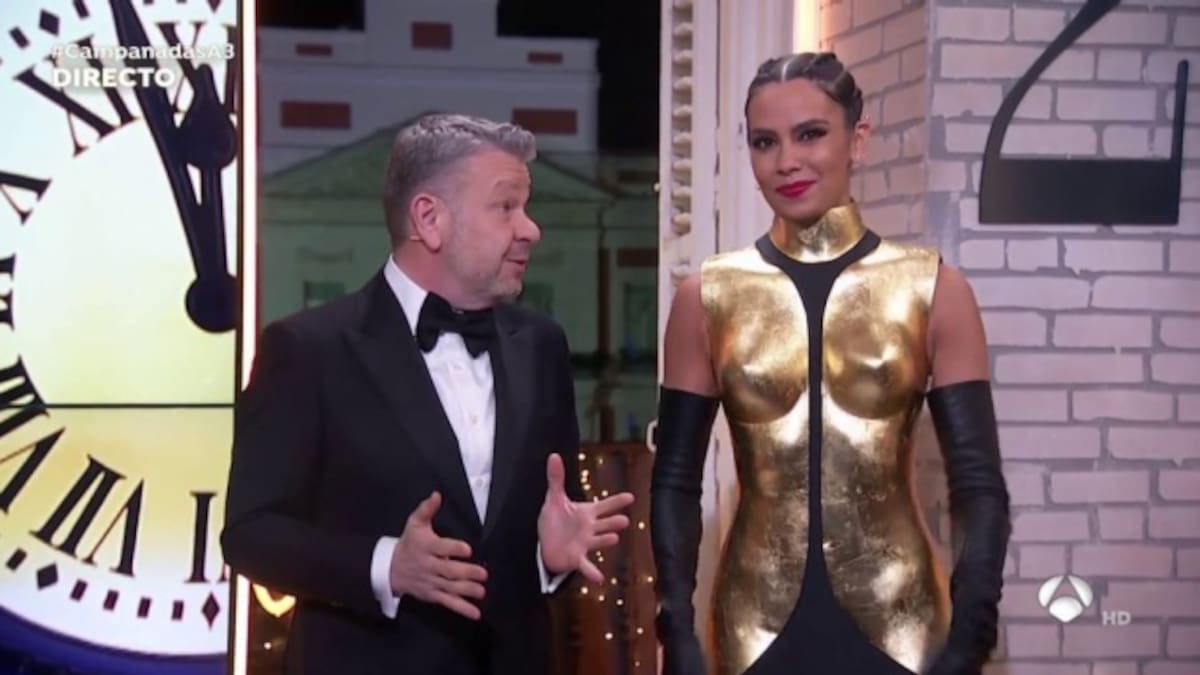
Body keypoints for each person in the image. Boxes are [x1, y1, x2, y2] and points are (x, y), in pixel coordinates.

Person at [222, 113, 635, 675]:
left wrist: (547, 559)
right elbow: (251, 534)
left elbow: (538, 523)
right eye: (506, 207)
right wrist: (387, 566)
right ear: (429, 219)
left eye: (526, 206)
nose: (530, 229)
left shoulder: (541, 346)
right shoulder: (307, 350)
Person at [650, 52, 1011, 675]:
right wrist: (675, 629)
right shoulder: (707, 296)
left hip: (903, 623)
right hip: (752, 626)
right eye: (765, 142)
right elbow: (676, 482)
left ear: (857, 140)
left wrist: (972, 636)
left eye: (810, 134)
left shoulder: (931, 288)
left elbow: (978, 484)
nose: (786, 161)